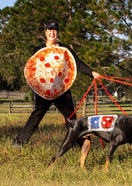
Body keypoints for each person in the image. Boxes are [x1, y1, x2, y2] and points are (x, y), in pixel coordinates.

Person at [11, 21, 100, 149]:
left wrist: (91, 73)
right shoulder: (39, 50)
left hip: (62, 89)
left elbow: (77, 64)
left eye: (55, 30)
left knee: (71, 117)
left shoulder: (65, 49)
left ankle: (75, 142)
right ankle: (19, 142)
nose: (52, 32)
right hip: (45, 90)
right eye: (49, 30)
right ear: (45, 33)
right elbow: (33, 69)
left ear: (57, 33)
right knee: (36, 115)